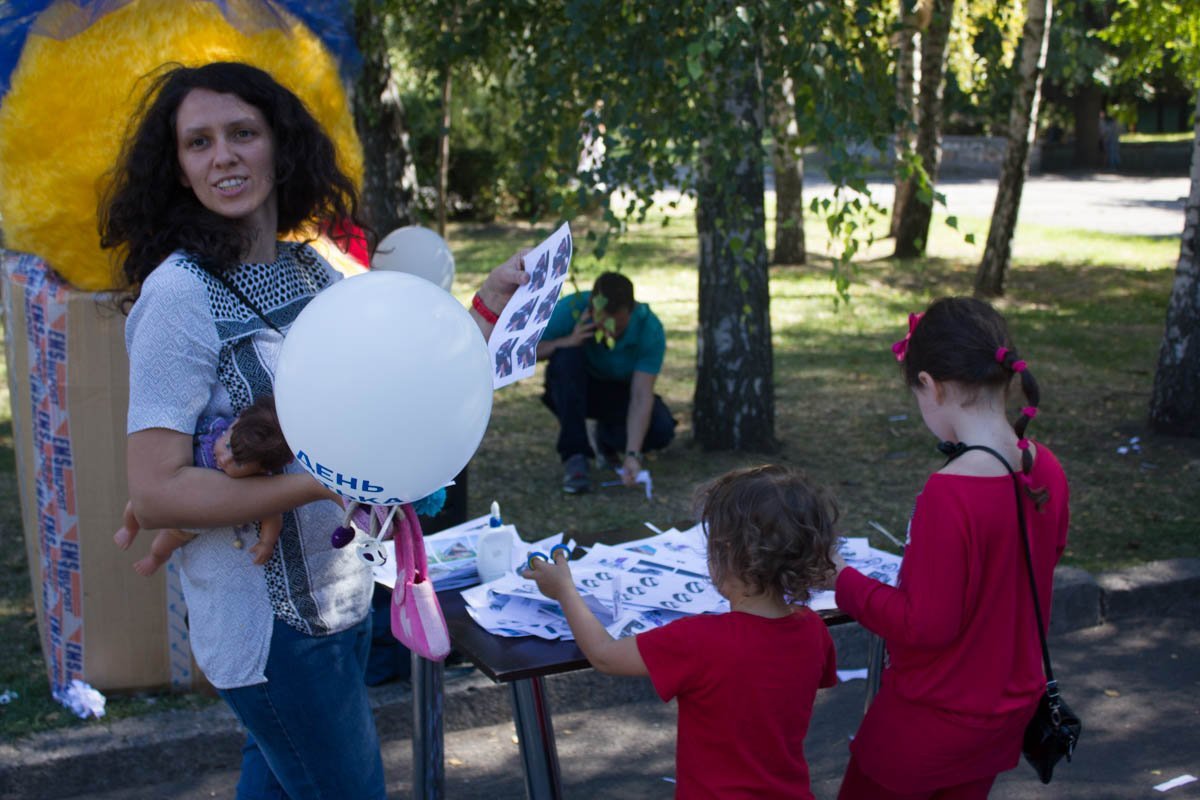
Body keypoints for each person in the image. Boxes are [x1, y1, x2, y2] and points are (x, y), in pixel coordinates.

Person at [99, 61, 526, 799]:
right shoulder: (176, 296)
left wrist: (487, 306)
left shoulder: (314, 274)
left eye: (242, 133)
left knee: (279, 775)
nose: (223, 155)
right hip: (272, 631)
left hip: (342, 597)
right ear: (178, 170)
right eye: (198, 143)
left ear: (280, 144)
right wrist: (325, 477)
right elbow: (158, 491)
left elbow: (403, 379)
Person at [830, 297, 1071, 799]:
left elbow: (924, 624)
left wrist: (841, 581)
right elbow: (1043, 557)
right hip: (1003, 715)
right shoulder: (1044, 467)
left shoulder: (950, 492)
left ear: (929, 385)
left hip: (930, 721)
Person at [524, 464, 840, 798]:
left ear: (726, 553)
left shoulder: (700, 640)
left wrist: (565, 592)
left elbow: (604, 655)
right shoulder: (813, 630)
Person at [114, 395, 292, 575]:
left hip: (190, 520)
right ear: (234, 424)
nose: (224, 459)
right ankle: (129, 529)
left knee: (160, 546)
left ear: (262, 469)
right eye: (228, 446)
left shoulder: (257, 483)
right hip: (170, 490)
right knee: (135, 506)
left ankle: (155, 559)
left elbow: (272, 514)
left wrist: (266, 543)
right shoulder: (212, 430)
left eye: (238, 464)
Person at [537, 271, 676, 494]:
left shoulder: (649, 328)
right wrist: (569, 341)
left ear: (632, 310)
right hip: (573, 389)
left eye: (618, 328)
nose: (609, 332)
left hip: (620, 392)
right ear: (591, 309)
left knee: (661, 428)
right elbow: (529, 352)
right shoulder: (571, 308)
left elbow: (641, 394)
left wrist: (632, 454)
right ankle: (575, 456)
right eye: (602, 324)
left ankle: (607, 440)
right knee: (566, 357)